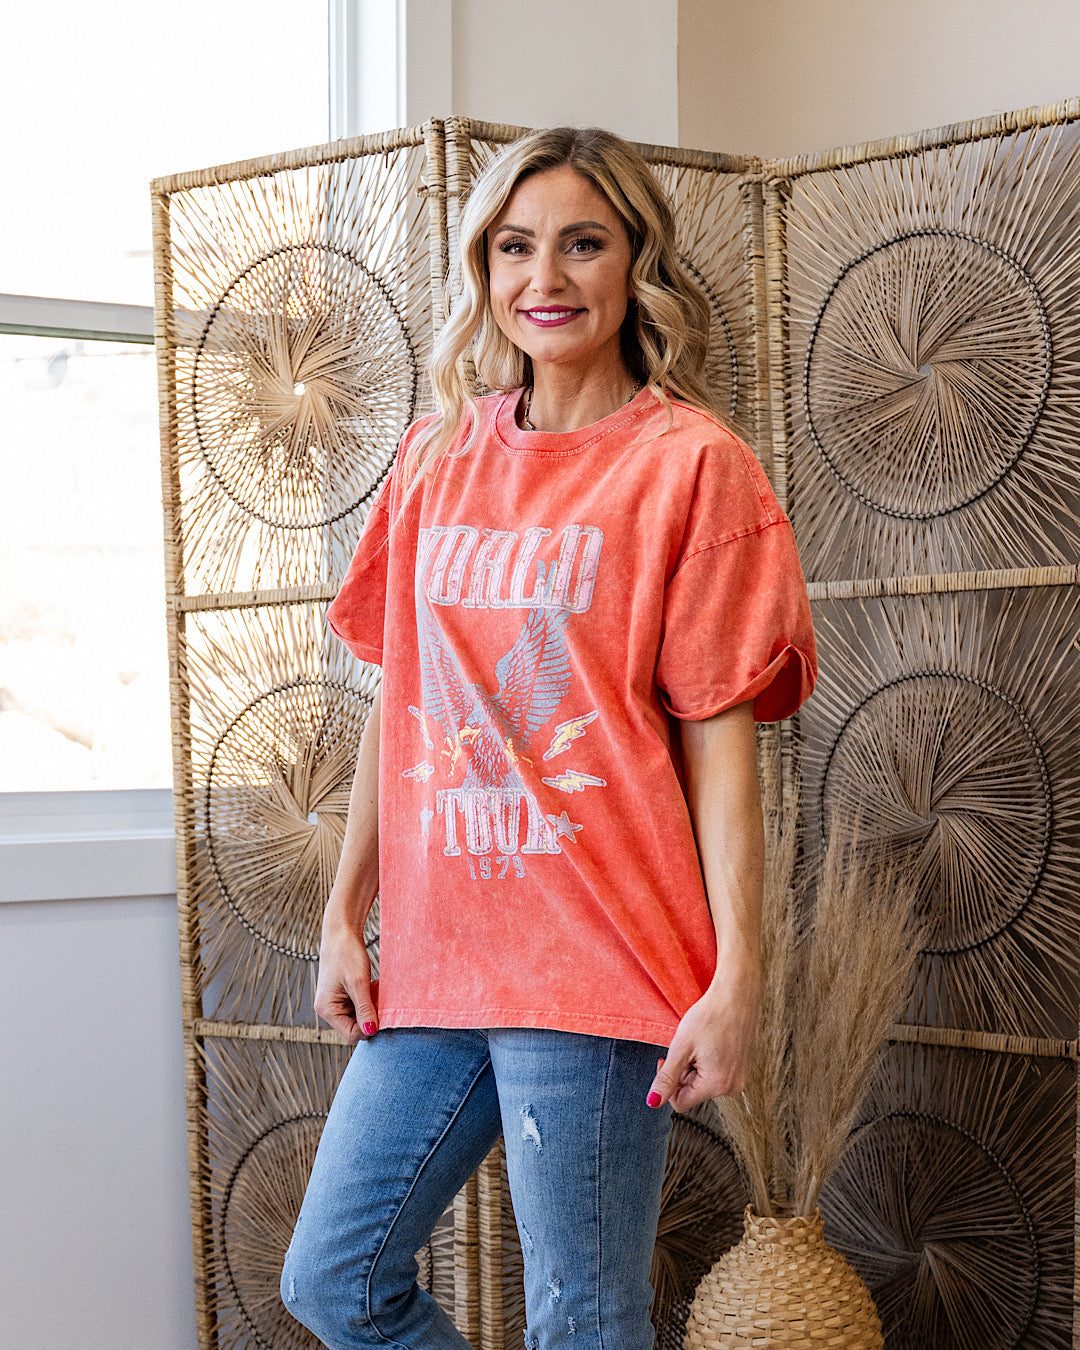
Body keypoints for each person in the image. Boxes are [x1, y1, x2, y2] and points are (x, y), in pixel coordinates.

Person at [281, 125, 816, 1350]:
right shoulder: (435, 457)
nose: (546, 278)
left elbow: (720, 750)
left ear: (637, 264)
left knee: (583, 1319)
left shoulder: (692, 467)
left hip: (596, 957)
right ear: (483, 269)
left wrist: (739, 976)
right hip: (435, 961)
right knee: (336, 1281)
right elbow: (400, 702)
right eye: (514, 247)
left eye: (584, 244)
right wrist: (344, 913)